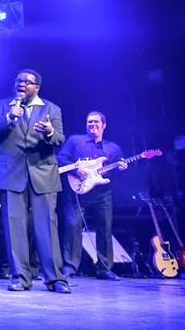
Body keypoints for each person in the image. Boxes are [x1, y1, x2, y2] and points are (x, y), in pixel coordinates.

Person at [0, 69, 69, 294]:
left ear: (36, 87)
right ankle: (20, 277)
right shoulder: (1, 106)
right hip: (11, 173)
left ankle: (56, 279)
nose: (21, 84)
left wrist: (49, 132)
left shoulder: (52, 109)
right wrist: (9, 118)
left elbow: (60, 139)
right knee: (15, 229)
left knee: (47, 227)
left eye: (27, 82)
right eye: (18, 81)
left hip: (43, 173)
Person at [58, 111, 127, 280]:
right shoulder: (75, 141)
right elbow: (61, 158)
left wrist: (121, 169)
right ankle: (70, 267)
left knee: (105, 229)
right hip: (77, 192)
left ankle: (104, 268)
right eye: (89, 122)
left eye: (96, 122)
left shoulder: (113, 148)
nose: (92, 125)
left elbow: (115, 173)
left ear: (104, 125)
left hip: (102, 194)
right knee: (72, 227)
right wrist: (76, 170)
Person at [0, 144, 39, 280]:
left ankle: (32, 269)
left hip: (24, 192)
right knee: (6, 232)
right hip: (4, 192)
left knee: (31, 230)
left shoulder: (29, 147)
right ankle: (4, 268)